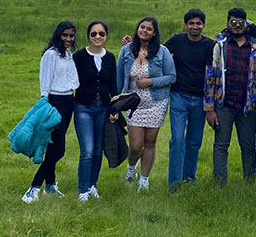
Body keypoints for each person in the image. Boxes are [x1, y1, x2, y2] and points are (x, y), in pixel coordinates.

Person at [204, 8, 256, 185]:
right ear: (227, 24)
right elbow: (210, 77)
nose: (237, 26)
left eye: (241, 23)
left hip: (247, 106)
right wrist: (210, 109)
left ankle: (249, 183)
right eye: (233, 22)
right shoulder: (219, 46)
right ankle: (219, 184)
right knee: (221, 145)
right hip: (224, 104)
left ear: (246, 24)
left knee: (248, 146)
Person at [22, 21, 80, 204]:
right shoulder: (51, 55)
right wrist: (45, 101)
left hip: (69, 100)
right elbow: (45, 79)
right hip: (54, 102)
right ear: (58, 35)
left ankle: (50, 185)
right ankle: (33, 188)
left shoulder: (69, 55)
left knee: (54, 147)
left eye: (71, 36)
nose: (68, 39)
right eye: (65, 35)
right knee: (59, 151)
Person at [117, 17, 176, 192]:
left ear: (154, 33)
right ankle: (131, 168)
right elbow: (119, 77)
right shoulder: (126, 51)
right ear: (137, 29)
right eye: (142, 27)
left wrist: (151, 82)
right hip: (133, 103)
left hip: (156, 102)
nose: (144, 31)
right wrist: (116, 101)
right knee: (135, 145)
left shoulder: (162, 52)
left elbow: (171, 76)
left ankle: (144, 180)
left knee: (150, 142)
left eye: (149, 29)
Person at [165, 9, 214, 191]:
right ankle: (174, 182)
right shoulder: (177, 41)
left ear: (203, 25)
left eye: (198, 23)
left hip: (200, 98)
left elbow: (212, 73)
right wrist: (133, 46)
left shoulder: (209, 45)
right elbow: (158, 53)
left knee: (194, 141)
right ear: (186, 25)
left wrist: (210, 104)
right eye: (191, 23)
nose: (195, 27)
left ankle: (189, 177)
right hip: (179, 96)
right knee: (177, 139)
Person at [73, 21, 118, 201]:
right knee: (88, 150)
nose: (97, 37)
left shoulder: (110, 57)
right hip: (83, 106)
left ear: (106, 36)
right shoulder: (79, 56)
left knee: (99, 150)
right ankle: (83, 190)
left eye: (101, 34)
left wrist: (115, 109)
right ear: (88, 36)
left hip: (104, 109)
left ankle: (92, 185)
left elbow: (113, 85)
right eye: (93, 34)